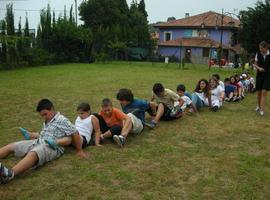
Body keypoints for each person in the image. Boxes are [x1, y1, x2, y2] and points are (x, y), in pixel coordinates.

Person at [0, 99, 86, 184]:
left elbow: (75, 133)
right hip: (39, 141)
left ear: (52, 109)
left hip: (53, 147)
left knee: (34, 153)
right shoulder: (48, 120)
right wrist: (31, 134)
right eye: (42, 115)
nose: (44, 117)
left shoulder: (62, 120)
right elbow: (44, 134)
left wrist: (80, 150)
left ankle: (9, 174)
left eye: (45, 114)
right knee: (12, 146)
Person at [31, 102, 102, 150]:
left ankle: (54, 143)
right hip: (75, 134)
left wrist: (97, 143)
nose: (80, 115)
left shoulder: (92, 118)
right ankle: (33, 135)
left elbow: (97, 131)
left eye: (82, 113)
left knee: (70, 137)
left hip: (82, 139)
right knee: (58, 132)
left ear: (88, 111)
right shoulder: (78, 117)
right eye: (79, 113)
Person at [253, 41, 270, 116]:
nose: (260, 50)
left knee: (264, 92)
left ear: (266, 48)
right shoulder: (258, 54)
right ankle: (259, 106)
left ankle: (262, 110)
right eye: (260, 48)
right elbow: (255, 64)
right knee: (259, 93)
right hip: (259, 76)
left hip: (268, 76)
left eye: (262, 48)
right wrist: (258, 68)